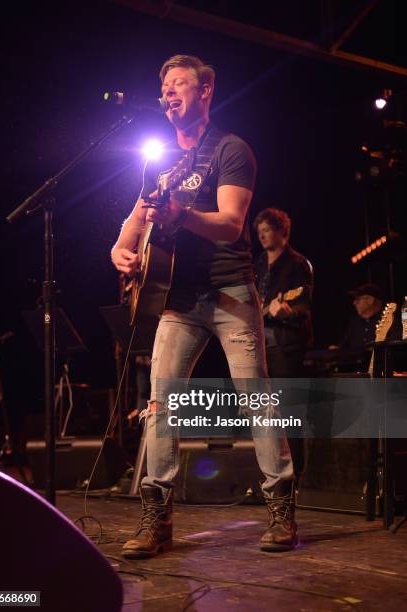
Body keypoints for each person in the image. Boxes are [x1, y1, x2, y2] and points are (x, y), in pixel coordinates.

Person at [111, 55, 297, 557]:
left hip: (231, 291)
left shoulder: (230, 149)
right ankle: (157, 518)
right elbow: (133, 222)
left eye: (179, 84)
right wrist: (120, 251)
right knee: (161, 404)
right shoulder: (161, 162)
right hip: (178, 300)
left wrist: (181, 213)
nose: (169, 93)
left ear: (206, 89)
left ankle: (280, 507)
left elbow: (232, 224)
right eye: (164, 85)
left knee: (255, 398)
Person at [253, 208, 313, 483]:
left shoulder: (298, 264)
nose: (262, 235)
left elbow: (303, 305)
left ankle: (295, 474)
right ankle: (269, 473)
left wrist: (286, 310)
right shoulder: (257, 264)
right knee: (263, 410)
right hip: (259, 345)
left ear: (282, 231)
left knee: (288, 410)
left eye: (268, 230)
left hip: (286, 347)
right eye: (260, 231)